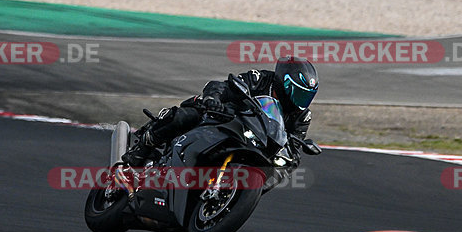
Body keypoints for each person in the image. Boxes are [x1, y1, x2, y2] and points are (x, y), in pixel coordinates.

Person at [122, 56, 320, 168]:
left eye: (305, 95)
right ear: (282, 81)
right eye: (297, 92)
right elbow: (223, 86)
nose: (300, 100)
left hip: (255, 144)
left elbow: (293, 144)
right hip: (226, 117)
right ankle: (145, 146)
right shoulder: (260, 79)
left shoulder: (302, 115)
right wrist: (213, 100)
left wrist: (293, 156)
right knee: (189, 114)